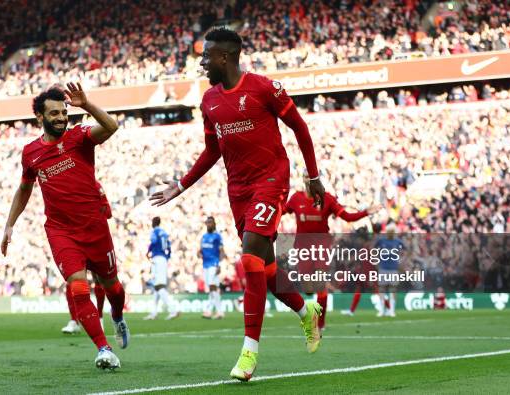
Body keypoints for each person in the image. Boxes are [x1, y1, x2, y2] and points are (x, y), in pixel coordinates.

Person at [150, 28, 324, 381]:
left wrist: (314, 175)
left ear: (225, 57)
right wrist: (181, 185)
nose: (201, 62)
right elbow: (212, 150)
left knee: (248, 259)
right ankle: (308, 313)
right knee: (267, 271)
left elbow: (300, 128)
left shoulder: (264, 88)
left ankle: (249, 353)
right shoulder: (209, 101)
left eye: (206, 55)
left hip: (271, 180)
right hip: (238, 190)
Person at [0, 83, 129, 370]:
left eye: (63, 112)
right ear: (40, 118)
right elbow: (24, 189)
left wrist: (87, 105)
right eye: (54, 113)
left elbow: (111, 126)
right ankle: (103, 349)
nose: (61, 117)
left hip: (94, 226)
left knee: (113, 288)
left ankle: (118, 317)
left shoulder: (80, 136)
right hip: (61, 230)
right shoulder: (30, 153)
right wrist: (9, 225)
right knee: (78, 286)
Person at [285, 170, 382, 330]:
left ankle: (320, 325)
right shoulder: (296, 198)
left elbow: (347, 217)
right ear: (302, 179)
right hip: (302, 248)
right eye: (306, 177)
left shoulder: (327, 199)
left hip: (322, 247)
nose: (309, 180)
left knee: (320, 286)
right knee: (308, 289)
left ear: (317, 180)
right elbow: (281, 211)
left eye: (311, 177)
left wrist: (366, 212)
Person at [144, 217, 180, 320]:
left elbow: (153, 242)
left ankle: (173, 309)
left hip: (157, 258)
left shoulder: (154, 231)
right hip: (163, 259)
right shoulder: (164, 233)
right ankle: (153, 313)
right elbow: (169, 246)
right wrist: (167, 257)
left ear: (153, 223)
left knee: (159, 286)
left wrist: (148, 251)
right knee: (157, 286)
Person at [199, 216, 226, 319]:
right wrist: (199, 253)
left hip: (214, 264)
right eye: (207, 222)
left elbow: (222, 252)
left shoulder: (217, 236)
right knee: (212, 288)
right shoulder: (204, 236)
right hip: (205, 265)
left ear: (214, 224)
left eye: (210, 222)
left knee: (212, 286)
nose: (208, 224)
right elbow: (201, 250)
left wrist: (219, 265)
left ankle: (209, 310)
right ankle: (219, 312)